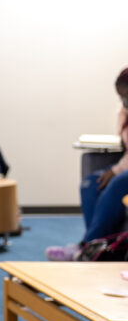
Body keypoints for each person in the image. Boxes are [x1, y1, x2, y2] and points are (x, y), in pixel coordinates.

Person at [46, 68, 128, 261]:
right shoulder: (123, 113)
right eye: (121, 97)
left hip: (125, 171)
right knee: (91, 183)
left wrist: (115, 170)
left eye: (127, 95)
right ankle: (100, 248)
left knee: (117, 182)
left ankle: (87, 247)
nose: (124, 100)